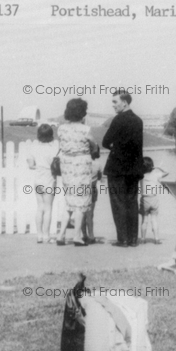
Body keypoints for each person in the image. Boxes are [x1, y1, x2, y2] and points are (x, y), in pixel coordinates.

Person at [103, 91, 144, 248]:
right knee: (131, 203)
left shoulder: (118, 119)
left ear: (124, 102)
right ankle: (133, 239)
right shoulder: (138, 121)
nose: (113, 105)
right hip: (133, 169)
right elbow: (137, 147)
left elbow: (106, 141)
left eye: (115, 102)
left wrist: (116, 147)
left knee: (118, 203)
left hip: (117, 169)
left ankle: (123, 239)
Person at [56, 98, 95, 246]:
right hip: (81, 166)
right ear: (82, 113)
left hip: (66, 165)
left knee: (69, 201)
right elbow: (93, 144)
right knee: (80, 202)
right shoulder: (86, 129)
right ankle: (77, 236)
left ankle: (61, 235)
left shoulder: (61, 129)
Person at [26, 124, 59, 243]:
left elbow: (31, 165)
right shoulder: (54, 148)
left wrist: (39, 166)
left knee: (40, 207)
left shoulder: (34, 147)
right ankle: (46, 235)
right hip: (49, 179)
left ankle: (39, 235)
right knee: (48, 208)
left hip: (38, 179)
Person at [139, 157, 168, 244]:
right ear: (152, 166)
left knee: (144, 219)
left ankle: (143, 239)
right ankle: (156, 238)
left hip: (144, 199)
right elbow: (167, 172)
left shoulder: (140, 176)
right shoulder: (156, 174)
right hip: (153, 198)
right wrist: (158, 168)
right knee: (154, 219)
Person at [81, 142, 102, 244]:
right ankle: (91, 235)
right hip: (93, 188)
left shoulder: (82, 162)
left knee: (82, 213)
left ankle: (84, 234)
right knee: (90, 214)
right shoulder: (97, 163)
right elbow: (100, 177)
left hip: (82, 188)